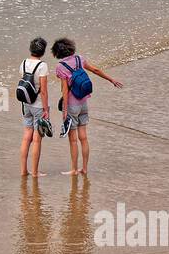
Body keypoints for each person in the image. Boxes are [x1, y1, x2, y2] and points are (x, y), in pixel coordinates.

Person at [52, 37, 123, 177]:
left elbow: (65, 91)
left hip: (72, 105)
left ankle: (74, 169)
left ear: (57, 52)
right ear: (70, 47)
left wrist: (65, 110)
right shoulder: (79, 59)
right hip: (84, 103)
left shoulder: (60, 67)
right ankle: (84, 168)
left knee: (73, 140)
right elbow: (95, 70)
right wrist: (111, 79)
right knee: (83, 138)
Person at [17, 37, 51, 178]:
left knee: (26, 138)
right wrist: (46, 109)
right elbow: (43, 90)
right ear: (43, 51)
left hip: (26, 104)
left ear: (31, 49)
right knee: (37, 139)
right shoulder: (42, 66)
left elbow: (23, 80)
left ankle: (23, 170)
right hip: (37, 105)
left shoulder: (24, 63)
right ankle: (35, 172)